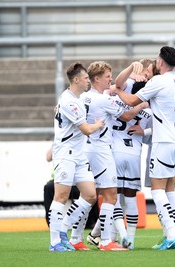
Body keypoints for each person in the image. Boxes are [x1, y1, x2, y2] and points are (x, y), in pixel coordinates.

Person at [112, 46, 175, 250]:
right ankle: (170, 234)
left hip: (163, 141)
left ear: (161, 62)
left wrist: (117, 90)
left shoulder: (158, 81)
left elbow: (130, 101)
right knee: (170, 190)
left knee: (157, 190)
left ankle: (172, 236)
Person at [81, 61, 147, 251]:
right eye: (107, 76)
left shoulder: (84, 97)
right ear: (97, 79)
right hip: (105, 151)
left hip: (91, 149)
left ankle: (82, 236)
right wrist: (143, 103)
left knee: (93, 196)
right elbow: (127, 116)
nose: (111, 79)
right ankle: (112, 240)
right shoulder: (105, 99)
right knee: (113, 196)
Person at [48, 62, 105, 252]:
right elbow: (87, 130)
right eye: (86, 78)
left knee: (90, 195)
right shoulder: (69, 102)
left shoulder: (74, 98)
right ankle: (55, 242)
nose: (89, 81)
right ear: (77, 80)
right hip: (66, 155)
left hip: (78, 155)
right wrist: (99, 124)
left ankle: (63, 230)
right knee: (61, 196)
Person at [109, 58, 156, 249]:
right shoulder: (149, 103)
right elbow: (158, 130)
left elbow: (116, 85)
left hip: (115, 151)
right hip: (134, 153)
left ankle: (112, 237)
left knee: (113, 198)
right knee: (130, 199)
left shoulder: (119, 92)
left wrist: (118, 85)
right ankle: (130, 240)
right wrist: (144, 130)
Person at [43, 146, 99, 229]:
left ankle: (90, 222)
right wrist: (57, 143)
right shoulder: (61, 141)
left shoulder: (82, 143)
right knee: (48, 188)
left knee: (91, 192)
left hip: (78, 181)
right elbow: (48, 157)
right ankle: (52, 224)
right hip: (60, 180)